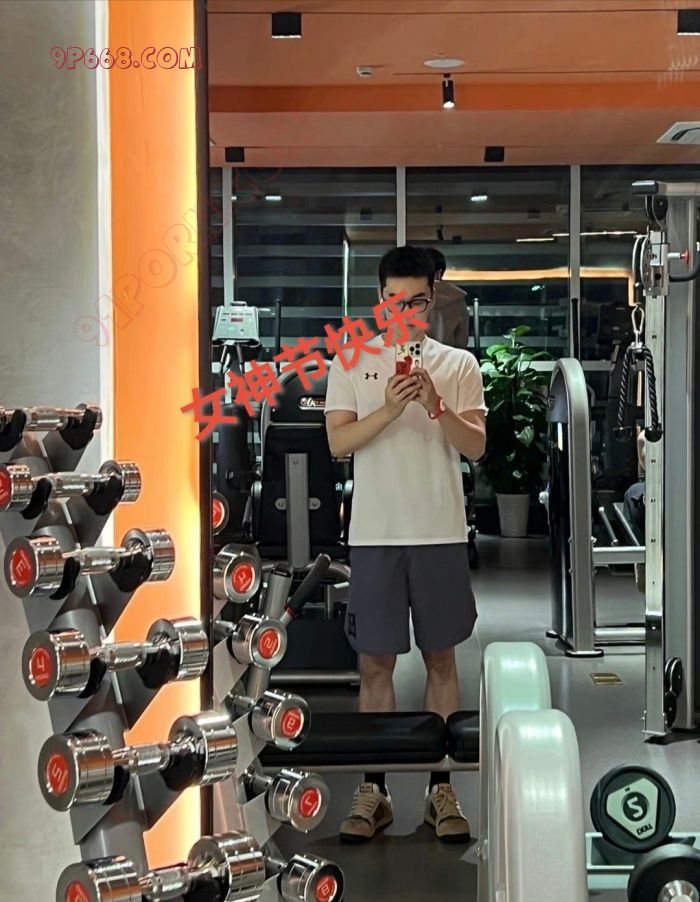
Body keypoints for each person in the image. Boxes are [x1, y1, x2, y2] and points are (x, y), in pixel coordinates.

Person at [324, 245, 487, 844]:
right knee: (376, 664)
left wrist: (435, 404)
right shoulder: (351, 359)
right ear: (380, 302)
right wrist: (391, 409)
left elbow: (476, 447)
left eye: (416, 301)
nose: (405, 312)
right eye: (394, 301)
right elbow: (339, 443)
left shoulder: (458, 365)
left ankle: (442, 789)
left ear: (431, 300)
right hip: (375, 534)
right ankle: (376, 789)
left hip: (440, 531)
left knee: (442, 659)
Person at [424, 248, 470, 350]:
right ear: (440, 272)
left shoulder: (410, 297)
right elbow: (462, 340)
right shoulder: (457, 298)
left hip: (415, 356)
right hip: (448, 356)